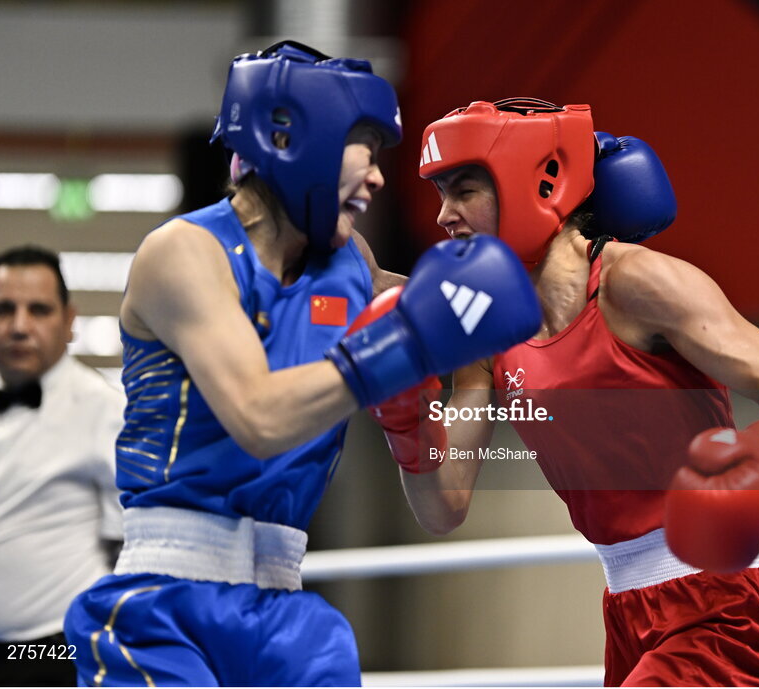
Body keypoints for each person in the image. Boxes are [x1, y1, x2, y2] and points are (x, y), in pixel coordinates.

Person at [63, 43, 541, 687]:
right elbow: (257, 417)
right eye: (364, 149)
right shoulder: (184, 253)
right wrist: (401, 346)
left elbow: (473, 331)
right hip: (164, 602)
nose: (377, 176)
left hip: (285, 608)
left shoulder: (352, 264)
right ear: (290, 138)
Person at [388, 98, 759, 686]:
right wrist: (403, 417)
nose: (444, 216)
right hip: (628, 611)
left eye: (464, 189)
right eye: (438, 193)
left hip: (727, 608)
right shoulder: (487, 332)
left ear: (538, 181)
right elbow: (444, 507)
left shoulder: (638, 283)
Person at [0, 245, 124, 687]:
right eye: (3, 309)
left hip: (51, 654)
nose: (19, 326)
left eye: (39, 310)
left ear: (69, 322)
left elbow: (132, 551)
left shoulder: (106, 411)